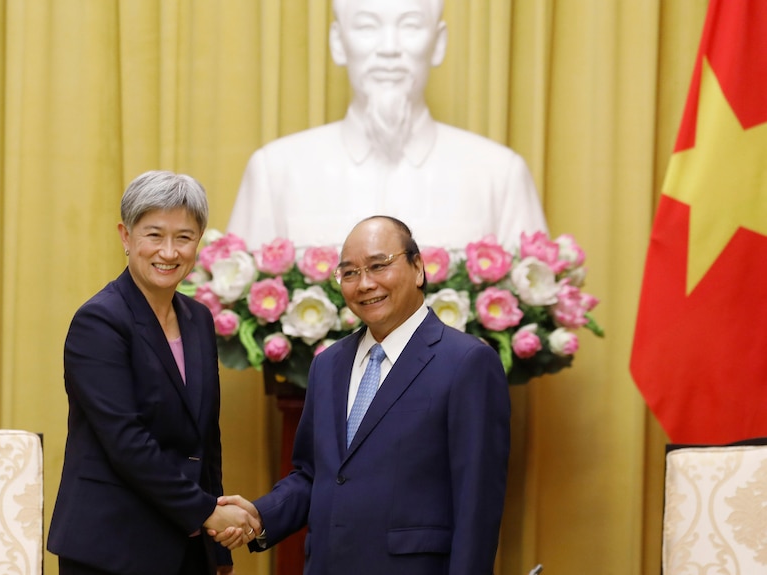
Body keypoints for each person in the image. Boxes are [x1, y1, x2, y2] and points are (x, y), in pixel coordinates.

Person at [214, 215, 511, 574]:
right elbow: (315, 474)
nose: (364, 284)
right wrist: (260, 515)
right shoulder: (328, 365)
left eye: (378, 266)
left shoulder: (466, 362)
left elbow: (476, 505)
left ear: (417, 268)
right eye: (350, 273)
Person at [47, 170, 259, 575]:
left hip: (187, 545)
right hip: (111, 547)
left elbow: (204, 439)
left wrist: (217, 550)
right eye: (154, 235)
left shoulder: (198, 318)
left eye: (184, 237)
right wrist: (206, 513)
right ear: (126, 237)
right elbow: (126, 440)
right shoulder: (99, 321)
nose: (169, 251)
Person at [227, 0, 547, 252]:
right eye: (367, 26)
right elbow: (233, 318)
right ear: (338, 42)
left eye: (410, 26)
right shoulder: (276, 171)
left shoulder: (499, 175)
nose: (389, 48)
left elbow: (535, 322)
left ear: (438, 42)